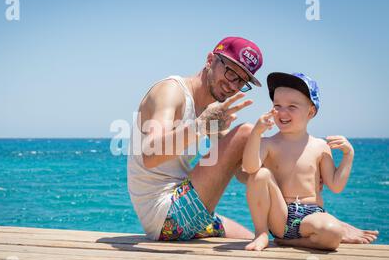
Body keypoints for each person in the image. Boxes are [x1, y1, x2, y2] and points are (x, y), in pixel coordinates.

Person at [127, 37, 378, 244]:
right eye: (229, 72)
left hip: (182, 214)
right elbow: (150, 155)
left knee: (252, 238)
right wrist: (202, 126)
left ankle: (311, 222)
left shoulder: (212, 108)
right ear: (210, 60)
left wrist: (300, 188)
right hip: (166, 213)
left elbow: (243, 172)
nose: (232, 85)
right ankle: (315, 225)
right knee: (247, 131)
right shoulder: (171, 91)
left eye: (241, 81)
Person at [242, 72, 378, 251]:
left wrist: (348, 155)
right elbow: (250, 167)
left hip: (311, 215)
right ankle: (261, 234)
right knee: (260, 174)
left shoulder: (320, 146)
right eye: (277, 105)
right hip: (280, 214)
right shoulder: (269, 143)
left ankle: (293, 242)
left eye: (292, 106)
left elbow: (335, 186)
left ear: (311, 111)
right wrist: (256, 133)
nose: (283, 112)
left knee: (334, 233)